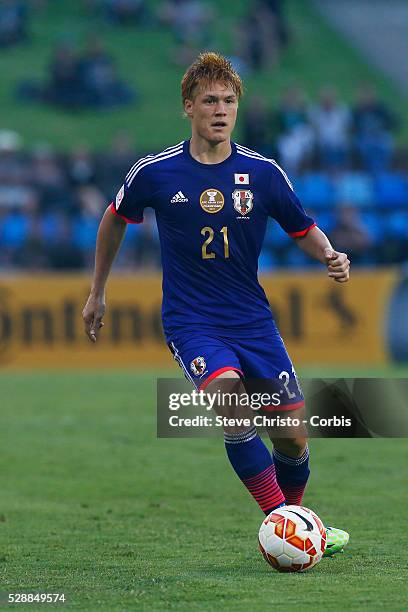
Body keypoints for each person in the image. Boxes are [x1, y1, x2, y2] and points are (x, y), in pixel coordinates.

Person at [82, 52, 350, 556]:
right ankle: (287, 526)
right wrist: (97, 291)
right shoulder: (156, 172)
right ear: (188, 106)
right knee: (232, 404)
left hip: (253, 320)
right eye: (210, 100)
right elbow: (115, 218)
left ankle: (296, 520)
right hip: (192, 322)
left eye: (228, 100)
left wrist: (330, 253)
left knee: (292, 436)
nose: (221, 109)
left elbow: (302, 227)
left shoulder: (263, 173)